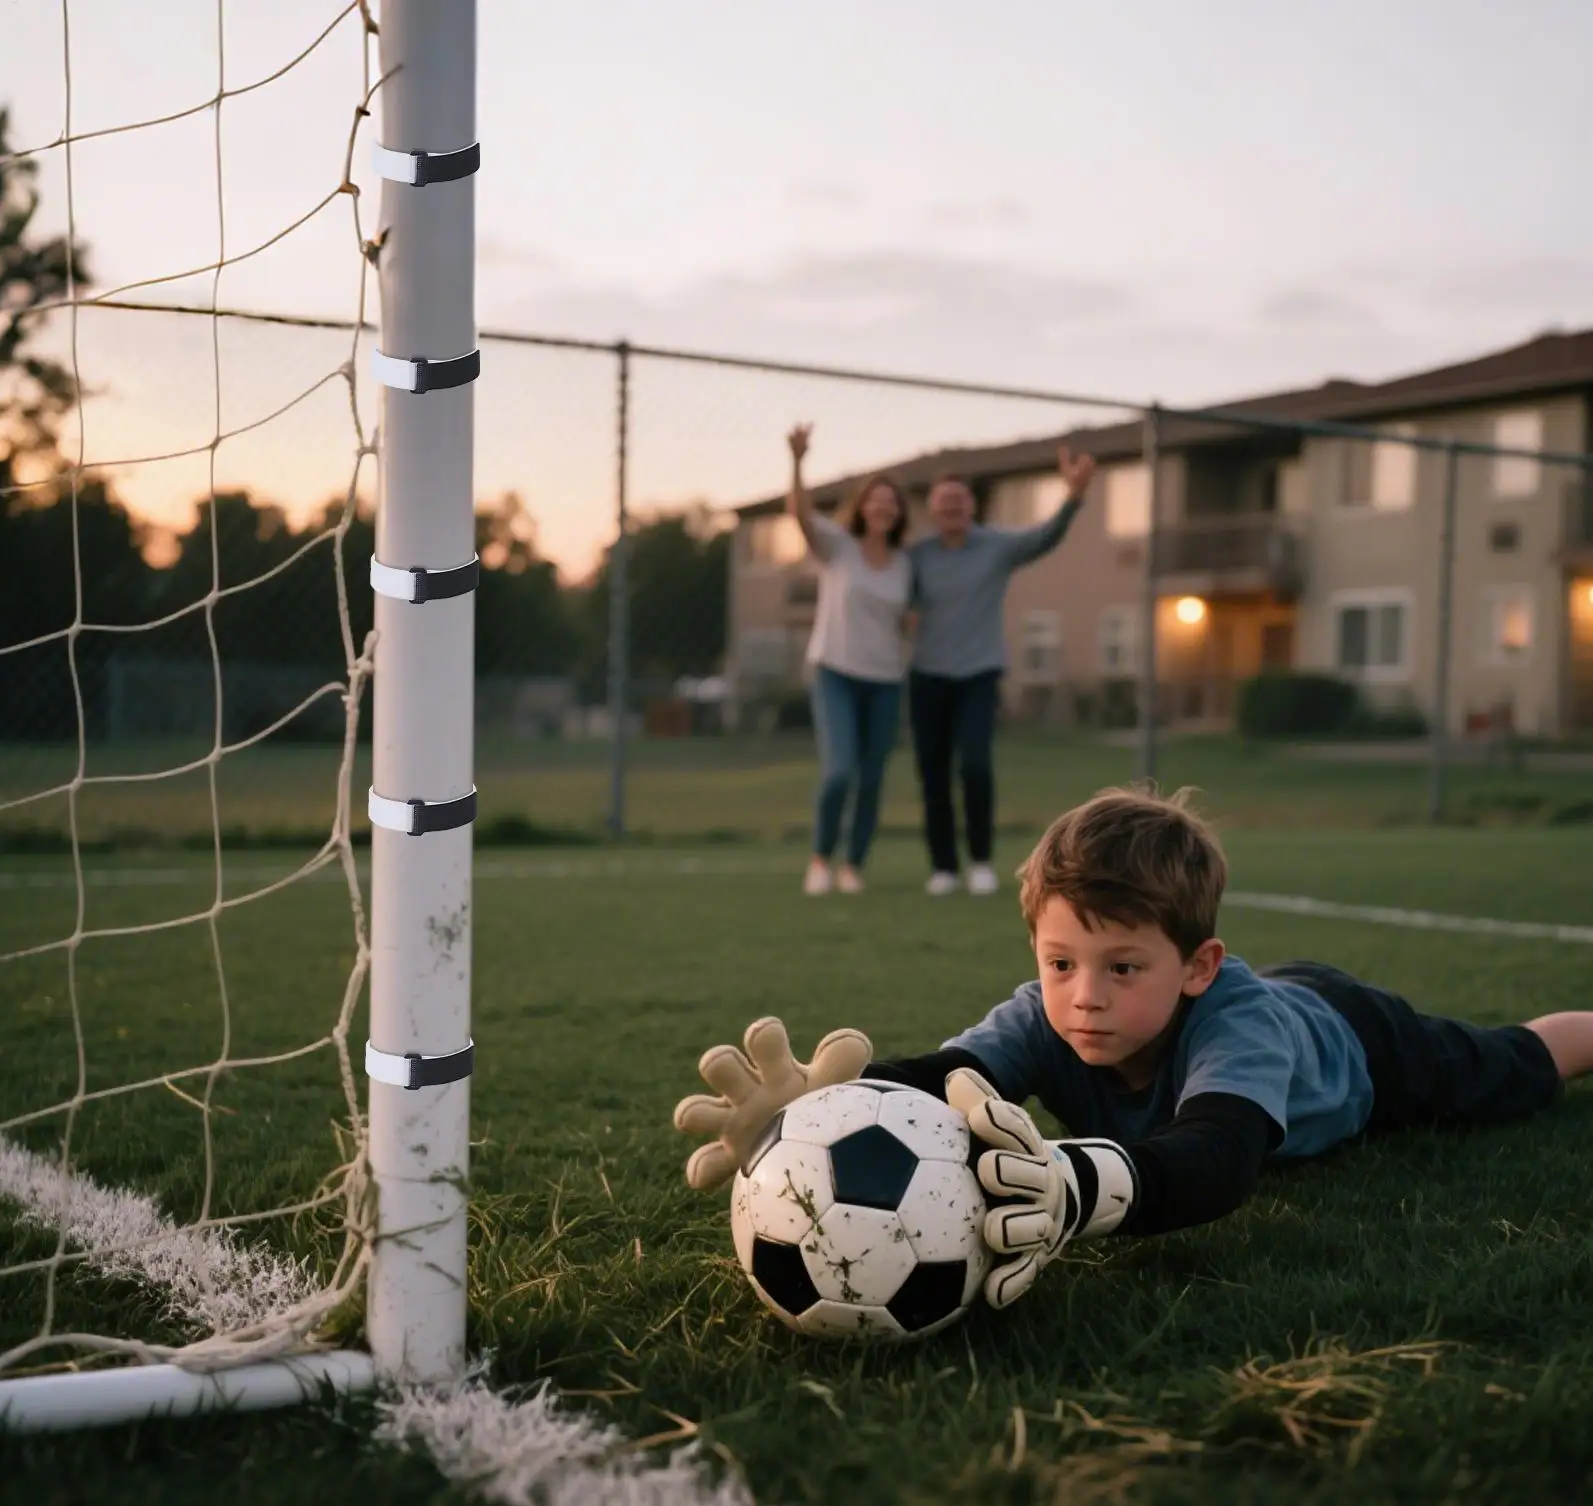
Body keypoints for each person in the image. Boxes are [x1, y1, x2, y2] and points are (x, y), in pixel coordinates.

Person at [672, 785, 1593, 1310]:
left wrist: (1077, 1188)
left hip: (1352, 1038)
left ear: (1195, 966)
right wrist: (809, 1103)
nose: (1084, 996)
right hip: (1290, 1008)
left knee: (1508, 1068)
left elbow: (1222, 1160)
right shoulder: (1047, 1012)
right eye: (1061, 960)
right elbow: (943, 1080)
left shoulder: (1236, 1021)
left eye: (1121, 967)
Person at [907, 447, 1096, 898]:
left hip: (978, 672)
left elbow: (1045, 537)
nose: (952, 508)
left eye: (959, 500)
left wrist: (1073, 496)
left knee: (974, 765)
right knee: (933, 774)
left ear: (971, 506)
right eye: (943, 501)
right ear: (932, 509)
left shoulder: (996, 547)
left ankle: (980, 861)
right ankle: (943, 868)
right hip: (927, 676)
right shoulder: (916, 557)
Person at [785, 423, 912, 896]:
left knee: (872, 778)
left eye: (891, 501)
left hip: (884, 680)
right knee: (840, 770)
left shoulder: (904, 563)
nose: (883, 506)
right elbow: (799, 514)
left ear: (898, 513)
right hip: (835, 672)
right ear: (862, 506)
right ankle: (821, 858)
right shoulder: (838, 547)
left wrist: (911, 626)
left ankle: (853, 864)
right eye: (875, 499)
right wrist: (798, 460)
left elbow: (905, 616)